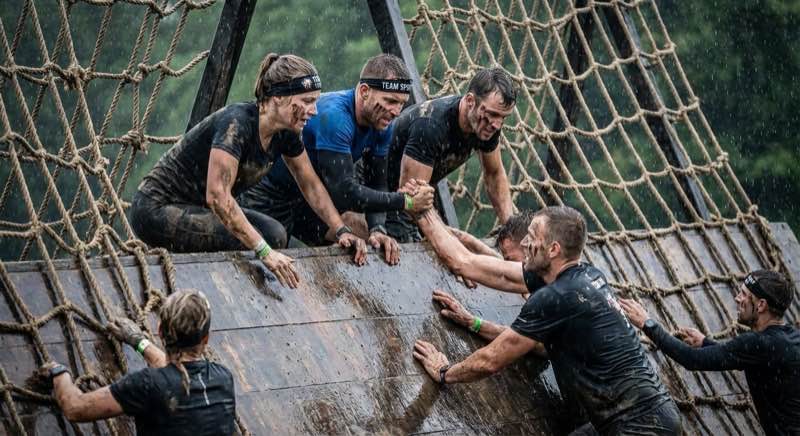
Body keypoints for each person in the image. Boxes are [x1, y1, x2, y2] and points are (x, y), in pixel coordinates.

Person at [409, 201, 682, 435]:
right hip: (639, 418)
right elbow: (466, 264)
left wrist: (445, 373)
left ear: (553, 249)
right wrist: (425, 212)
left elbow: (491, 360)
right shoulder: (584, 276)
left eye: (532, 236)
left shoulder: (557, 297)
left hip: (642, 425)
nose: (525, 243)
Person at [130, 53, 366, 288]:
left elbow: (310, 184)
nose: (313, 110)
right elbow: (218, 198)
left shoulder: (287, 133)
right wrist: (265, 252)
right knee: (269, 239)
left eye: (315, 101)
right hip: (157, 209)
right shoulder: (237, 124)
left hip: (198, 209)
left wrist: (340, 231)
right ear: (277, 98)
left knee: (274, 233)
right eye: (306, 101)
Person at [239, 54, 433, 265]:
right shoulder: (336, 118)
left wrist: (377, 229)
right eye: (390, 101)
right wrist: (406, 202)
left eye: (402, 104)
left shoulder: (383, 123)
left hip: (310, 200)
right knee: (268, 256)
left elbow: (376, 181)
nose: (396, 111)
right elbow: (345, 192)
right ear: (365, 92)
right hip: (268, 194)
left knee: (359, 247)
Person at [620, 270, 800, 435]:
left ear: (761, 305)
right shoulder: (789, 338)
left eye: (744, 295)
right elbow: (744, 357)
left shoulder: (760, 343)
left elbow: (692, 360)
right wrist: (706, 343)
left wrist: (647, 324)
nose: (737, 298)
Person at [35, 290, 236, 436]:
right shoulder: (224, 377)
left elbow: (75, 408)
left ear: (160, 331)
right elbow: (174, 372)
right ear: (205, 339)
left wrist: (59, 373)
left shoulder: (147, 384)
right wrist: (137, 340)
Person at [385, 68, 517, 242]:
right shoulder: (431, 125)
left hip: (412, 199)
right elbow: (410, 200)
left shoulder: (486, 125)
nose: (497, 125)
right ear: (470, 101)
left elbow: (494, 175)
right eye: (492, 114)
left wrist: (511, 230)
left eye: (503, 117)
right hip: (378, 196)